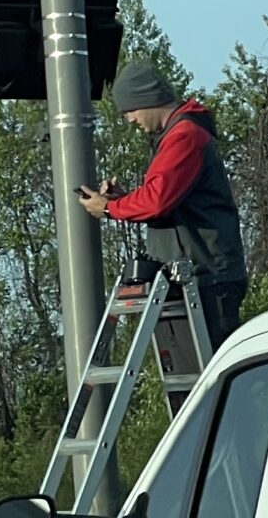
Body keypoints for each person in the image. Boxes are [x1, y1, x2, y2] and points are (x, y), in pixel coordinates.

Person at [75, 58, 248, 348]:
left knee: (211, 384)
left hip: (205, 278)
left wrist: (108, 208)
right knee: (195, 381)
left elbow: (157, 201)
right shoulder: (179, 136)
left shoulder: (184, 137)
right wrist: (124, 200)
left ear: (148, 99)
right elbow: (167, 198)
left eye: (130, 110)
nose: (130, 120)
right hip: (194, 277)